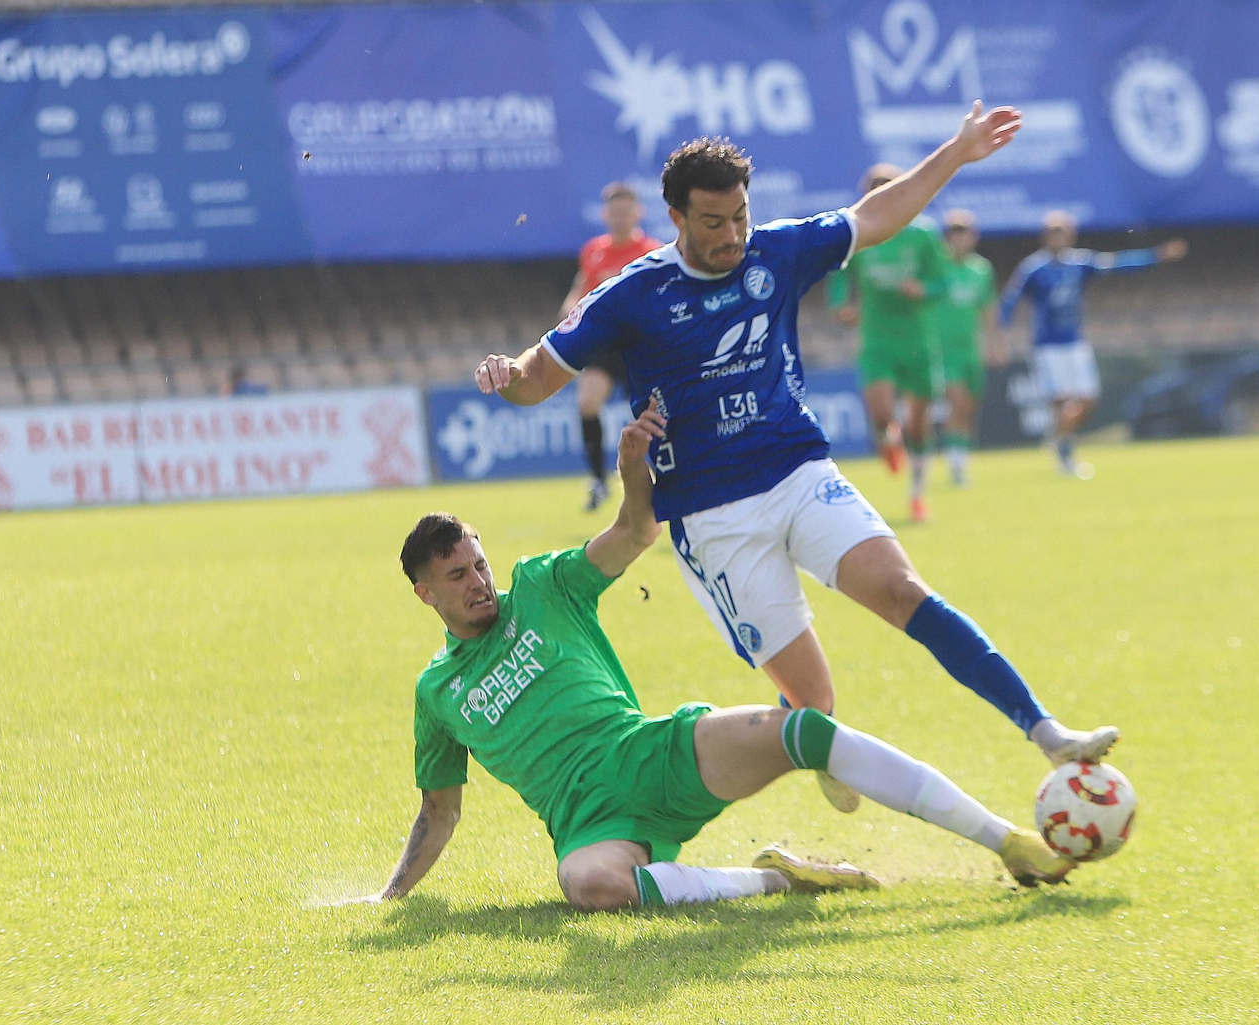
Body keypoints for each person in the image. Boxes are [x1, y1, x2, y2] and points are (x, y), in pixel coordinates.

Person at [474, 103, 1119, 818]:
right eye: (714, 223)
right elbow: (541, 375)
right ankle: (815, 739)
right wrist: (509, 375)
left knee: (903, 590)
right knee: (815, 705)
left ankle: (1046, 728)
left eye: (741, 216)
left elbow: (875, 216)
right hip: (713, 515)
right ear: (676, 217)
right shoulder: (633, 294)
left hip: (799, 470)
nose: (733, 235)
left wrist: (956, 153)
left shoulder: (777, 251)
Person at [356, 409, 1078, 910]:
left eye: (480, 564)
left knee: (805, 728)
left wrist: (632, 471)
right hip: (588, 820)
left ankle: (1007, 840)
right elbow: (440, 811)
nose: (480, 582)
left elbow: (637, 530)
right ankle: (775, 881)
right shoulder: (436, 691)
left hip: (656, 752)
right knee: (590, 886)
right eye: (458, 577)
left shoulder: (544, 586)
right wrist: (392, 896)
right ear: (425, 593)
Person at [999, 211, 1187, 476]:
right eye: (1052, 232)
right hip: (1048, 346)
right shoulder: (1034, 269)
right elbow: (1010, 300)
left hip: (1075, 343)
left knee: (1087, 399)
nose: (1057, 237)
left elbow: (1120, 264)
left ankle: (1057, 437)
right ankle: (1064, 454)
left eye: (1061, 231)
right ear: (1045, 237)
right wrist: (1000, 335)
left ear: (1070, 235)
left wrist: (1156, 256)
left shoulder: (1080, 263)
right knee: (1061, 400)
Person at [827, 163, 946, 522]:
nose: (881, 192)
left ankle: (917, 493)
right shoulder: (859, 233)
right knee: (880, 415)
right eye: (874, 187)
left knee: (919, 424)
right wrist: (840, 305)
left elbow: (942, 282)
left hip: (917, 340)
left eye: (888, 186)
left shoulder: (923, 234)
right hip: (877, 338)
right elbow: (839, 275)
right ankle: (889, 440)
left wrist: (922, 289)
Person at [558, 182, 663, 511]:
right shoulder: (593, 250)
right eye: (614, 212)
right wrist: (569, 311)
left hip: (639, 346)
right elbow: (582, 286)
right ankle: (598, 481)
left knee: (654, 416)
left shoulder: (653, 250)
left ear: (638, 213)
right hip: (605, 346)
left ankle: (668, 476)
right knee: (588, 404)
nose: (619, 217)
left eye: (625, 211)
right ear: (605, 215)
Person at [930, 209, 997, 487]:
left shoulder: (981, 270)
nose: (959, 240)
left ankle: (961, 458)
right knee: (955, 402)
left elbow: (987, 309)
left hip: (971, 349)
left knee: (969, 407)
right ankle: (955, 464)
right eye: (954, 234)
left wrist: (995, 343)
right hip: (943, 350)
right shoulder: (937, 267)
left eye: (964, 233)